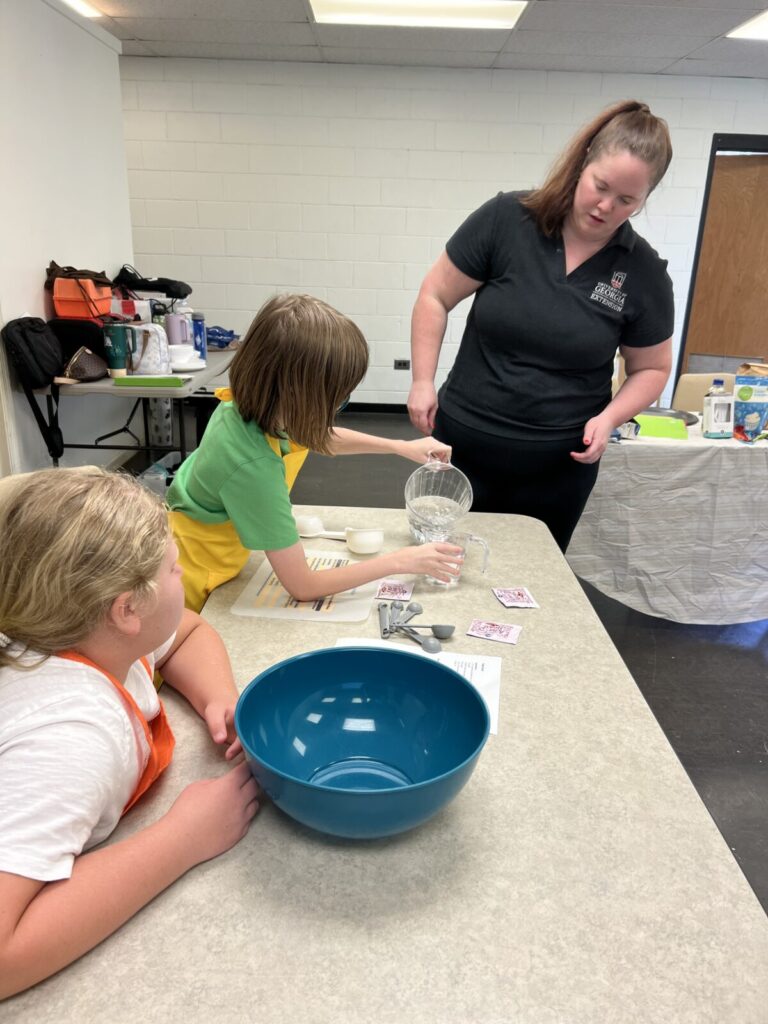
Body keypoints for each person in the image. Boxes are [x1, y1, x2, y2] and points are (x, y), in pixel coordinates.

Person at [0, 468, 261, 999]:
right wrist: (183, 838)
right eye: (173, 567)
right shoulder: (72, 739)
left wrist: (219, 697)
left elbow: (186, 631)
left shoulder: (78, 624)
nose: (182, 572)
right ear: (127, 609)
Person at [407, 99, 674, 552]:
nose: (605, 206)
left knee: (531, 585)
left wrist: (609, 419)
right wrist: (422, 380)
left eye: (627, 200)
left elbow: (652, 368)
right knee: (442, 568)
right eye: (600, 186)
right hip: (463, 448)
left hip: (558, 467)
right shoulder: (508, 219)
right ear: (583, 162)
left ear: (645, 200)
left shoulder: (643, 272)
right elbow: (434, 295)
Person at [167, 293, 462, 612]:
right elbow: (303, 586)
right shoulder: (252, 465)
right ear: (297, 397)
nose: (336, 408)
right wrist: (400, 561)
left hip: (200, 548)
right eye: (336, 400)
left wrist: (399, 447)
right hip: (195, 584)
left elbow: (314, 435)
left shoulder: (249, 407)